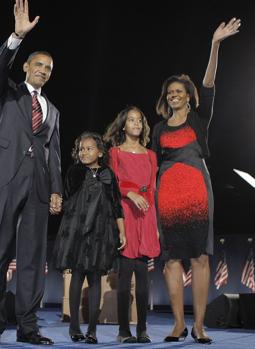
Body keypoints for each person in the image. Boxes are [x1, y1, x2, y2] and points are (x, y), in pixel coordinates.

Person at [0, 0, 63, 345]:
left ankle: (28, 328)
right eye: (38, 64)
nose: (43, 69)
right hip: (6, 179)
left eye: (49, 67)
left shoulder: (53, 110)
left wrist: (56, 190)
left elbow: (53, 153)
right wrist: (15, 37)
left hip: (39, 187)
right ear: (25, 66)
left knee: (32, 259)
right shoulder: (7, 92)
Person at [150, 18, 241, 344]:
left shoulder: (201, 119)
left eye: (179, 91)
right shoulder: (158, 130)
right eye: (170, 92)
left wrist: (214, 44)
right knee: (172, 259)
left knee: (200, 258)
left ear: (189, 96)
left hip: (197, 191)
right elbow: (153, 168)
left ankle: (199, 326)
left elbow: (209, 82)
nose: (174, 95)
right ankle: (178, 325)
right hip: (168, 195)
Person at [52, 132, 126, 344]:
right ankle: (74, 327)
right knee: (77, 276)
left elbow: (116, 204)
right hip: (76, 230)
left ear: (100, 152)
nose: (84, 152)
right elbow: (67, 198)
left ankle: (92, 329)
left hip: (100, 233)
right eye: (81, 149)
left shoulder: (108, 174)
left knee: (95, 279)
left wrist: (122, 231)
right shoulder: (74, 171)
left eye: (89, 148)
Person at [104, 106, 161, 343]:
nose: (136, 123)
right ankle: (124, 331)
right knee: (125, 277)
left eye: (139, 120)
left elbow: (153, 189)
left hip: (146, 216)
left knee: (143, 280)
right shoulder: (115, 153)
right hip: (125, 214)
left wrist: (155, 224)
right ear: (123, 125)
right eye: (131, 120)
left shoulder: (151, 155)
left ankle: (143, 330)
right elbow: (111, 184)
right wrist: (130, 193)